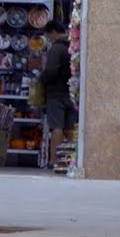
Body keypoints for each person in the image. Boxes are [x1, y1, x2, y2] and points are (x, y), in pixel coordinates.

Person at [41, 20, 75, 159]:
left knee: (57, 127)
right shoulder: (73, 45)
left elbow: (50, 72)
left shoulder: (56, 49)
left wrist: (42, 79)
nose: (49, 39)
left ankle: (54, 160)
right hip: (71, 92)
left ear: (53, 33)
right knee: (70, 128)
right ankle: (71, 160)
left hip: (56, 93)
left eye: (49, 36)